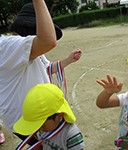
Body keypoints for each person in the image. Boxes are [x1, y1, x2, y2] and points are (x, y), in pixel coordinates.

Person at [0, 1, 81, 145]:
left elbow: (47, 68)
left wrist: (68, 60)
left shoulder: (28, 50)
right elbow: (48, 41)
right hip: (28, 118)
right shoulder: (9, 45)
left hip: (37, 115)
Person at [14, 84, 84, 150]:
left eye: (42, 125)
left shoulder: (72, 136)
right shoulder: (42, 129)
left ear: (59, 117)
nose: (39, 128)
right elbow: (40, 145)